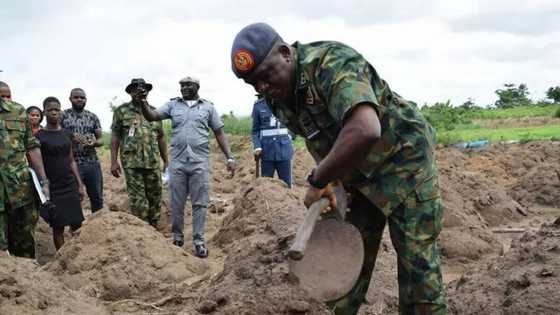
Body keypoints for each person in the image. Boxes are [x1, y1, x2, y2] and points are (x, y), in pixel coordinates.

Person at [231, 23, 446, 314]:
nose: (261, 87)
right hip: (358, 179)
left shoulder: (331, 63)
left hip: (405, 166)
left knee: (418, 279)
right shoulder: (276, 98)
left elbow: (365, 128)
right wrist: (332, 184)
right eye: (253, 83)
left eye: (265, 76)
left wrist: (319, 179)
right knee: (340, 272)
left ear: (285, 53)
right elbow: (319, 138)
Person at [139, 76, 235, 258]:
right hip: (178, 162)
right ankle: (177, 238)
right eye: (182, 85)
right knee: (177, 202)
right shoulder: (173, 106)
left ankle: (199, 241)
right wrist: (143, 101)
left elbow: (219, 133)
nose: (184, 88)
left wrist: (230, 157)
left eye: (188, 85)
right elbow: (152, 116)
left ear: (197, 86)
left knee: (200, 203)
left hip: (199, 161)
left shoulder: (208, 107)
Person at [0, 81, 50, 258]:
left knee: (24, 244)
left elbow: (31, 147)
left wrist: (44, 180)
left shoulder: (18, 111)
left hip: (19, 189)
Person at [110, 78, 168, 227]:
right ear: (130, 92)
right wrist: (113, 161)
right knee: (138, 200)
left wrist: (166, 160)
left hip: (152, 162)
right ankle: (143, 229)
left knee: (155, 196)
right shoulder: (121, 111)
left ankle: (154, 227)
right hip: (132, 163)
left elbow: (161, 137)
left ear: (147, 92)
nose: (140, 91)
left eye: (143, 89)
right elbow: (115, 136)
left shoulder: (155, 112)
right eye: (135, 89)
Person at [37, 97, 86, 250]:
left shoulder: (67, 134)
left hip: (69, 184)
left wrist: (80, 184)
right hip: (52, 186)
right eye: (50, 110)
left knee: (77, 223)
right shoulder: (39, 136)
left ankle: (78, 254)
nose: (54, 113)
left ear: (60, 112)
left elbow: (71, 160)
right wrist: (44, 186)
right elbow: (37, 164)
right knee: (58, 226)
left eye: (56, 110)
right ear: (44, 112)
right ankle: (61, 260)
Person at [60, 88, 104, 213]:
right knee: (74, 197)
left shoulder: (92, 116)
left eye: (82, 97)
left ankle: (98, 225)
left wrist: (94, 143)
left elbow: (100, 139)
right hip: (71, 163)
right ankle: (75, 227)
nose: (79, 99)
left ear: (86, 99)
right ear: (70, 99)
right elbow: (56, 133)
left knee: (97, 197)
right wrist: (70, 139)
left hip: (92, 162)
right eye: (76, 97)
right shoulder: (63, 115)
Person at [251, 95, 294, 187]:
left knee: (286, 185)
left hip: (284, 150)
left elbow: (295, 123)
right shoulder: (258, 105)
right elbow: (255, 131)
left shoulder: (286, 102)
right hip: (266, 152)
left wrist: (290, 137)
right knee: (266, 185)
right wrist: (257, 146)